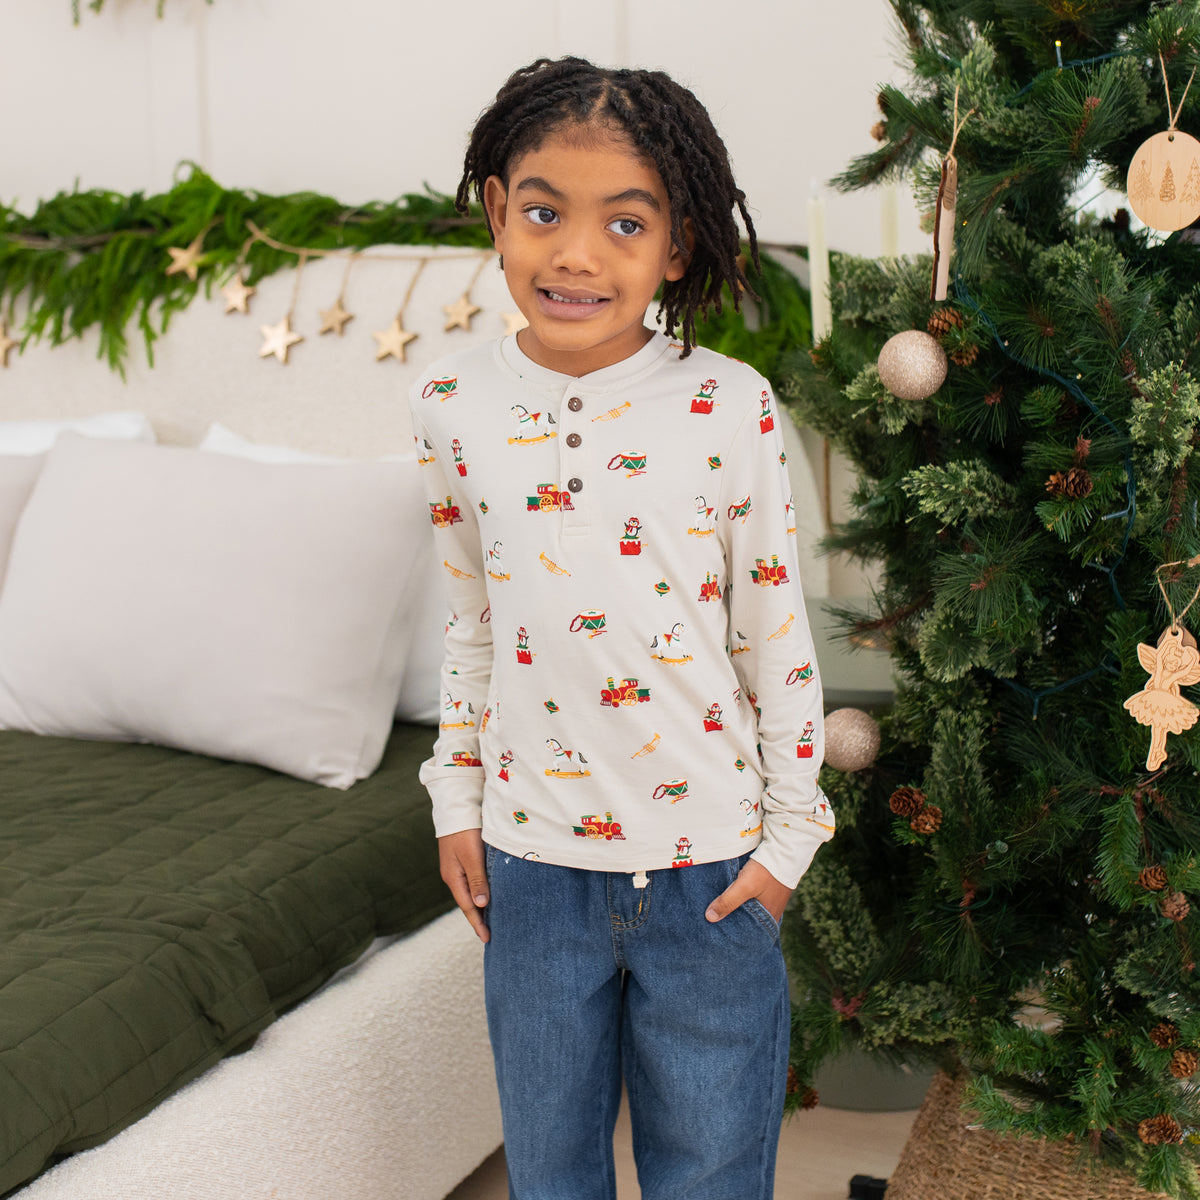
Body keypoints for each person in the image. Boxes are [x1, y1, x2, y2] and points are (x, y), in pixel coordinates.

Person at [409, 55, 833, 1200]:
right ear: (499, 211)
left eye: (625, 223)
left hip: (713, 870)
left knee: (712, 1172)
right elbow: (474, 625)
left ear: (677, 246)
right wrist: (457, 798)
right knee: (551, 1174)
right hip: (532, 870)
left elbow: (774, 636)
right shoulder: (451, 404)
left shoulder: (727, 405)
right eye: (544, 212)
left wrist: (789, 842)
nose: (576, 254)